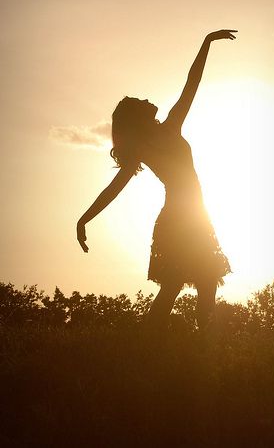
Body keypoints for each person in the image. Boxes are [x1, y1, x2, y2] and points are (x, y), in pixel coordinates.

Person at [77, 29, 237, 330]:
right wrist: (84, 219)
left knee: (205, 281)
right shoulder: (148, 146)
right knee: (177, 283)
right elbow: (113, 190)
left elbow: (193, 83)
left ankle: (200, 349)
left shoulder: (169, 127)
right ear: (137, 117)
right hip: (180, 218)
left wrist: (206, 42)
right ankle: (154, 344)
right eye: (140, 101)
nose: (148, 99)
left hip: (196, 216)